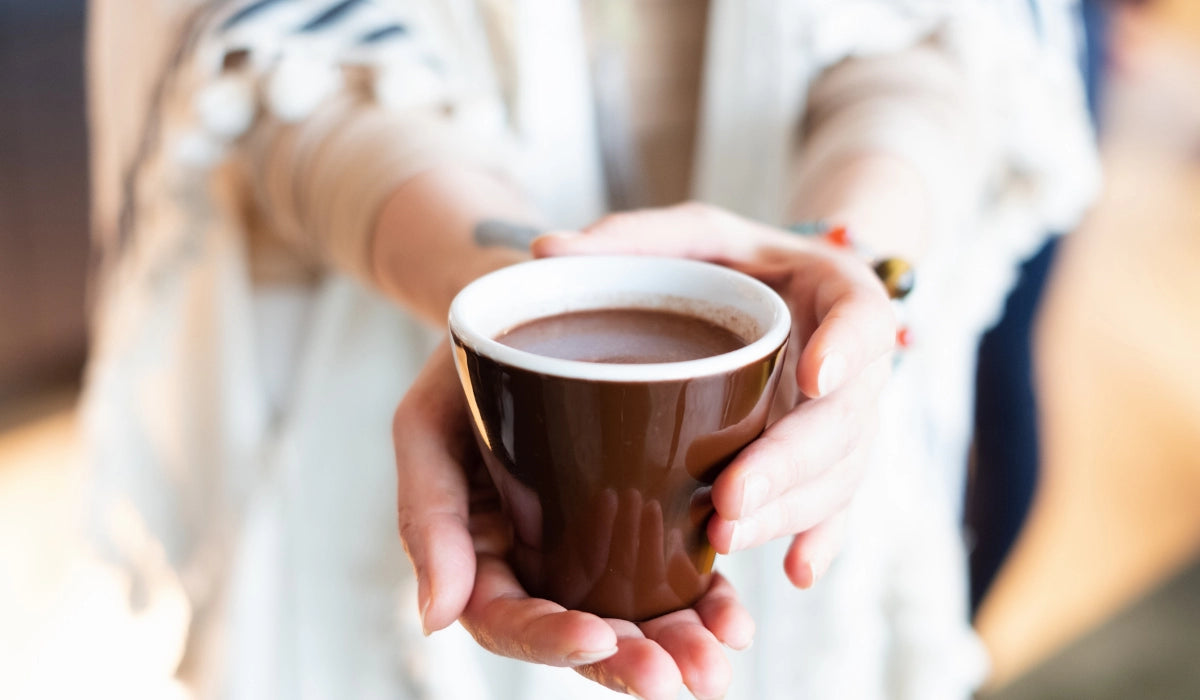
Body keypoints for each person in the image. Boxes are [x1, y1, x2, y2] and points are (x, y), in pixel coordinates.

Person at [82, 0, 1098, 698]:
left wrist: (854, 266)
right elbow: (272, 47)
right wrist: (489, 286)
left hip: (839, 298)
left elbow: (949, 37)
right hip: (368, 332)